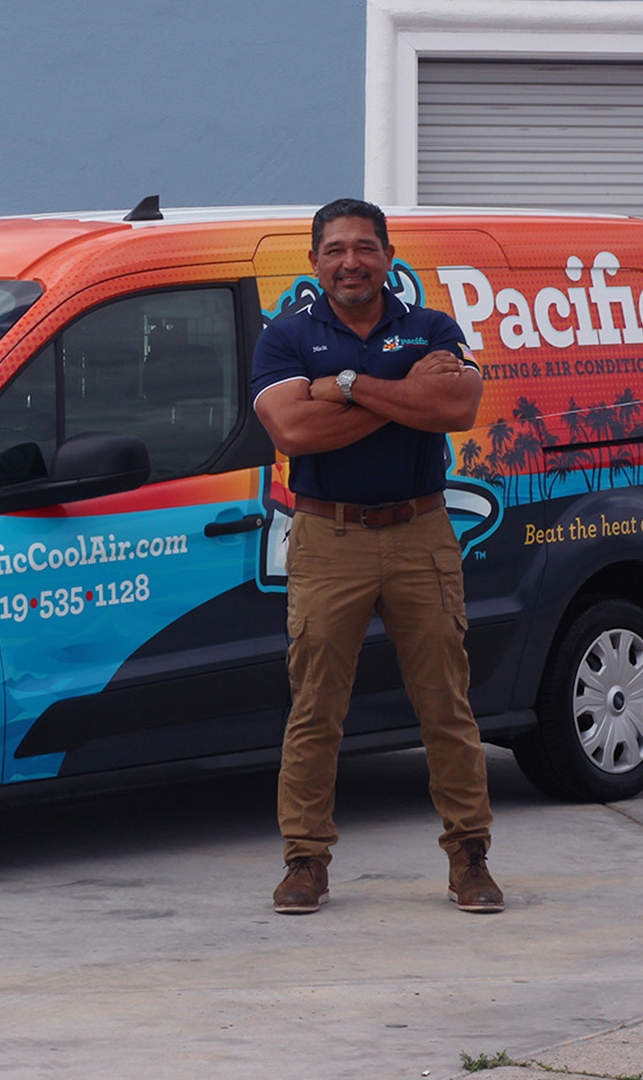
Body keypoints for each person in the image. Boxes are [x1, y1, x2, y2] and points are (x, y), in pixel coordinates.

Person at [250, 198, 504, 915]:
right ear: (314, 263)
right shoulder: (287, 336)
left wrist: (352, 386)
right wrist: (405, 394)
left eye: (364, 248)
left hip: (422, 532)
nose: (350, 262)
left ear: (388, 257)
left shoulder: (431, 326)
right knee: (316, 709)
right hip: (329, 538)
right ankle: (304, 863)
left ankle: (470, 859)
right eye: (335, 250)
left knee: (445, 705)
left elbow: (457, 410)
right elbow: (295, 429)